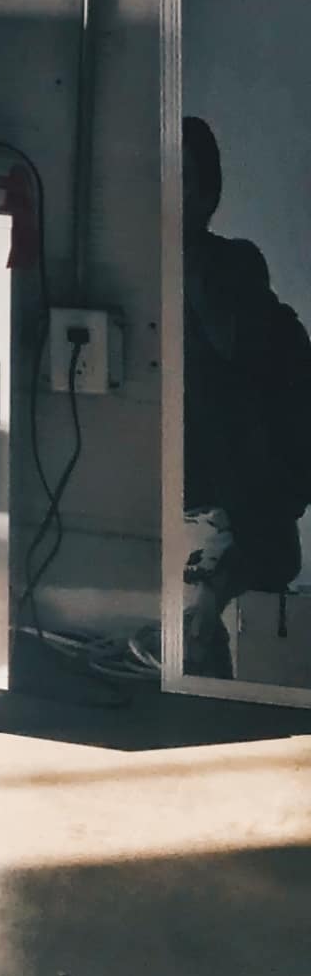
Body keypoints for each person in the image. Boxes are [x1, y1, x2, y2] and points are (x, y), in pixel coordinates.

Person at [179, 117, 311, 679]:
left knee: (192, 629)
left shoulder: (229, 273)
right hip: (159, 505)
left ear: (206, 194)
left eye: (177, 178)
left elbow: (242, 353)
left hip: (228, 511)